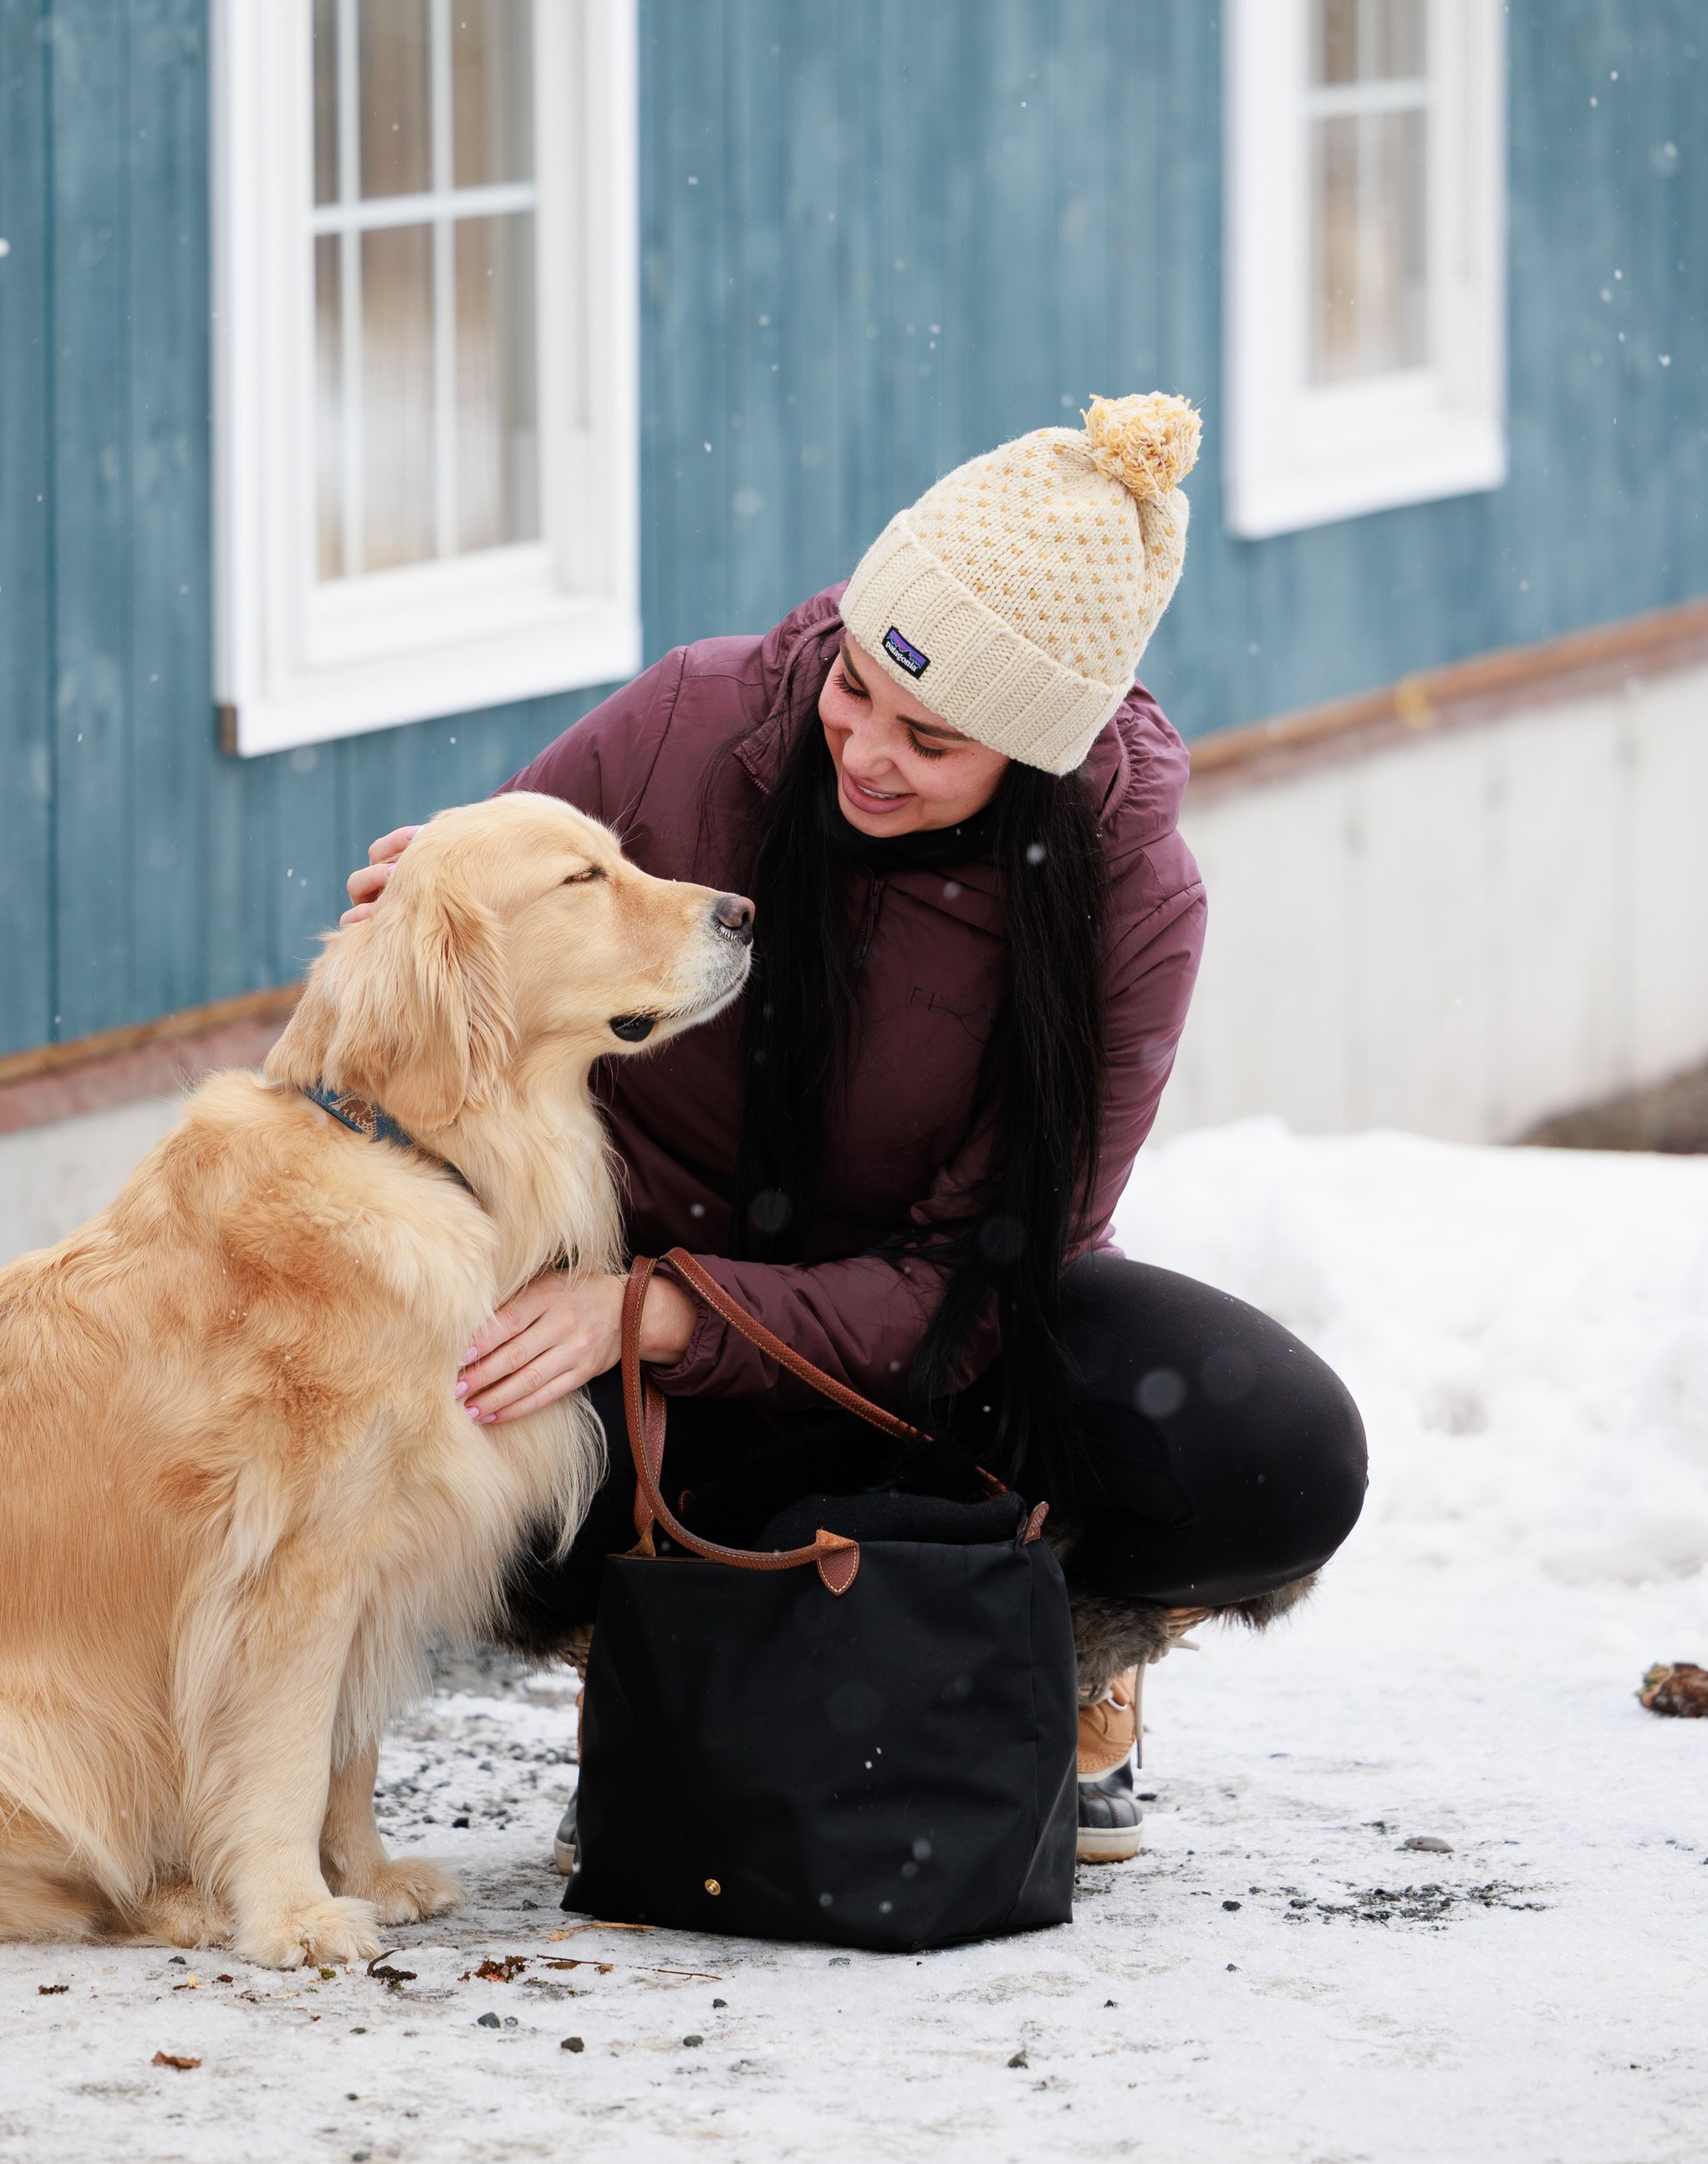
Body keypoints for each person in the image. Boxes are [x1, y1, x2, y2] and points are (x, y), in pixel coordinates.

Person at [344, 395, 1367, 1866]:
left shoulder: (1134, 905)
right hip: (636, 1359)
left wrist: (672, 1309)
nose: (867, 749)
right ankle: (678, 1664)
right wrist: (418, 921)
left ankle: (1043, 1651)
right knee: (431, 1389)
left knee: (1272, 1445)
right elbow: (471, 950)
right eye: (855, 684)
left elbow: (988, 1273)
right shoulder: (691, 725)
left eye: (931, 737)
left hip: (932, 1360)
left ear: (1034, 752)